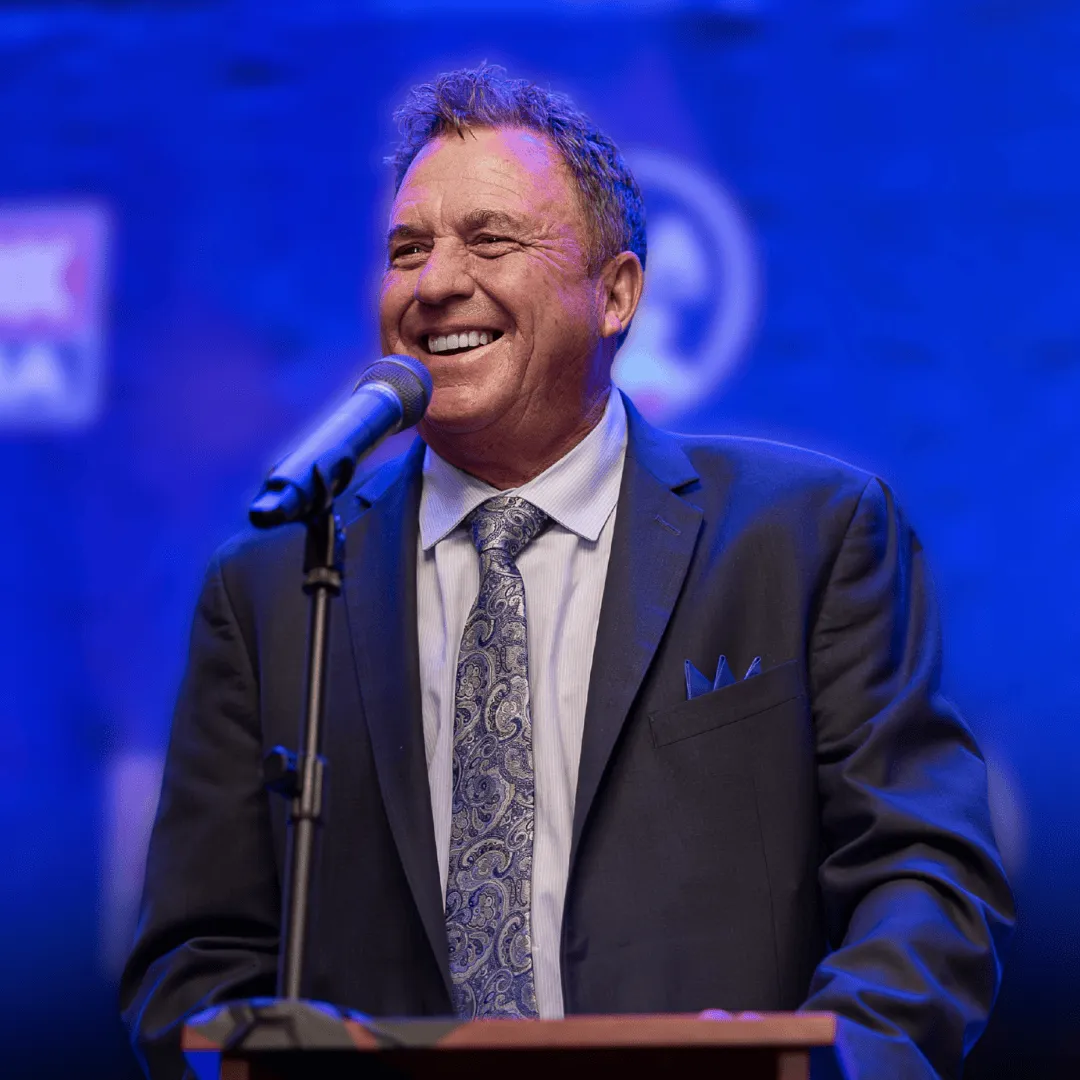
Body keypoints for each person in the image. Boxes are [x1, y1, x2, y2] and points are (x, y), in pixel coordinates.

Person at [121, 65, 1014, 1079]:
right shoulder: (276, 592)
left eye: (489, 239)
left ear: (618, 294)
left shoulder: (809, 537)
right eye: (407, 249)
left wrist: (824, 1067)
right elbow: (191, 964)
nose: (434, 283)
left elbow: (923, 873)